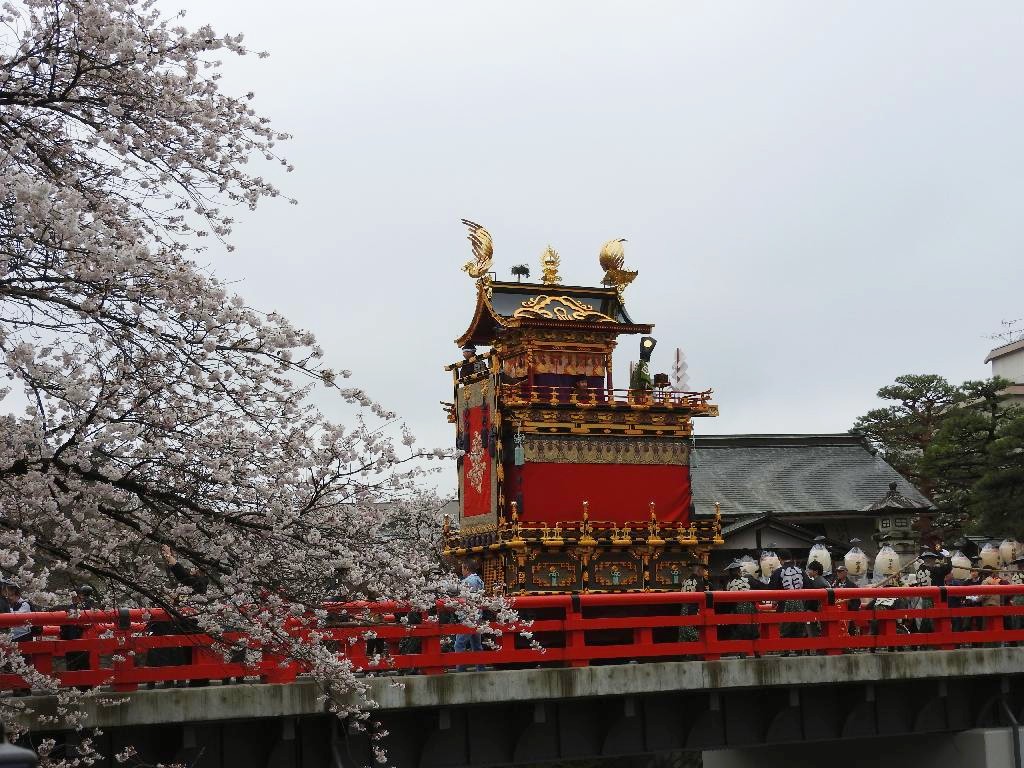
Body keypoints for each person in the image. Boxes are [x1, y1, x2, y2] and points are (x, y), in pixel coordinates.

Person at [769, 550, 807, 646]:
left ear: (780, 559)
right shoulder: (800, 571)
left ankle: (786, 650)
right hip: (800, 604)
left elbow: (771, 589)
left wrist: (774, 601)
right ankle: (799, 650)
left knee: (785, 628)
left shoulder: (778, 572)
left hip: (783, 604)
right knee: (799, 628)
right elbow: (809, 586)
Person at [453, 559, 485, 671]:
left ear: (466, 568)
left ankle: (460, 669)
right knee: (476, 645)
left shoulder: (468, 582)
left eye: (462, 568)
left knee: (459, 644)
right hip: (477, 616)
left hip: (468, 617)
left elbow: (464, 599)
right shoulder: (479, 580)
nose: (461, 571)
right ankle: (480, 669)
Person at [724, 560, 764, 642]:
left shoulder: (729, 584)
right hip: (750, 607)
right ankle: (757, 653)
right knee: (753, 629)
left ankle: (742, 653)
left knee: (740, 631)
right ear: (739, 571)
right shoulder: (747, 579)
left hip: (738, 608)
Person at [60, 585, 97, 672]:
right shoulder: (70, 607)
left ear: (81, 596)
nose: (73, 598)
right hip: (70, 638)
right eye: (72, 596)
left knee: (82, 664)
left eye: (76, 596)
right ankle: (73, 684)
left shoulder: (88, 605)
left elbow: (88, 621)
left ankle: (84, 684)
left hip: (81, 637)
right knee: (72, 665)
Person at [678, 562, 708, 644]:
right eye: (703, 570)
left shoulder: (685, 581)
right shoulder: (698, 582)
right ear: (699, 570)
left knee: (684, 634)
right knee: (696, 635)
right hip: (694, 610)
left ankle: (686, 654)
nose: (704, 572)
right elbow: (702, 599)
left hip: (684, 609)